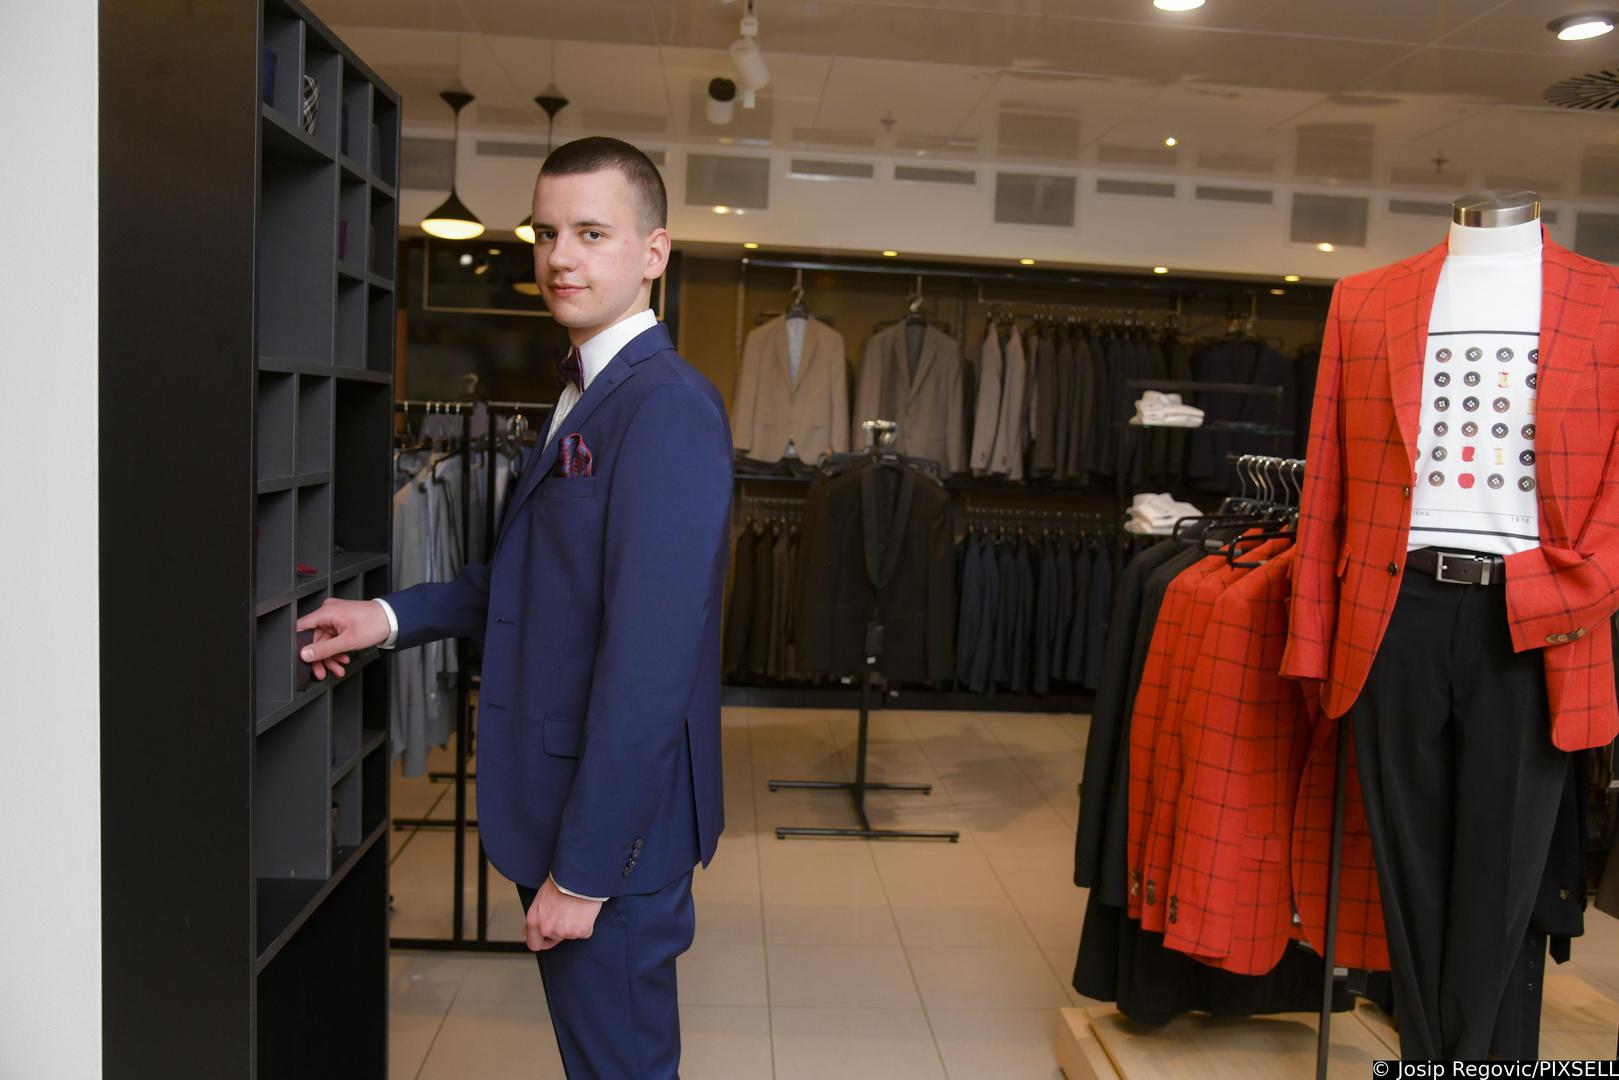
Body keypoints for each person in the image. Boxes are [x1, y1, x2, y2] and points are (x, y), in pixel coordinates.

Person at [297, 136, 733, 1078]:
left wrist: (584, 871)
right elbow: (534, 581)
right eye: (545, 233)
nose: (560, 257)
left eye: (591, 233)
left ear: (653, 252)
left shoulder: (665, 407)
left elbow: (650, 663)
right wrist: (388, 618)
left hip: (612, 834)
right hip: (573, 810)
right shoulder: (584, 389)